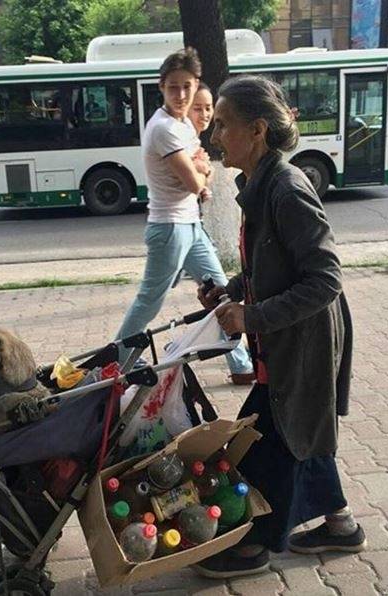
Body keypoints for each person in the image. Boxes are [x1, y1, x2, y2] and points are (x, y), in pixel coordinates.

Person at [192, 74, 364, 579]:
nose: (214, 136)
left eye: (223, 125)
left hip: (304, 342)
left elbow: (325, 278)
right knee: (297, 431)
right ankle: (340, 525)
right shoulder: (258, 186)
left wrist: (253, 315)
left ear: (257, 130)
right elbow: (270, 263)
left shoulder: (286, 188)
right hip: (284, 340)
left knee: (265, 442)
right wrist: (231, 290)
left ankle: (254, 543)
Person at [114, 48, 254, 384]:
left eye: (187, 87)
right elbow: (195, 182)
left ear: (196, 85)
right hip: (169, 228)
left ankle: (240, 364)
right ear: (161, 86)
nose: (181, 95)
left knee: (220, 291)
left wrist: (202, 170)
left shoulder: (183, 126)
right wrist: (201, 172)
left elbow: (204, 169)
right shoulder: (163, 128)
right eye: (173, 87)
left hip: (191, 225)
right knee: (150, 301)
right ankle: (117, 360)